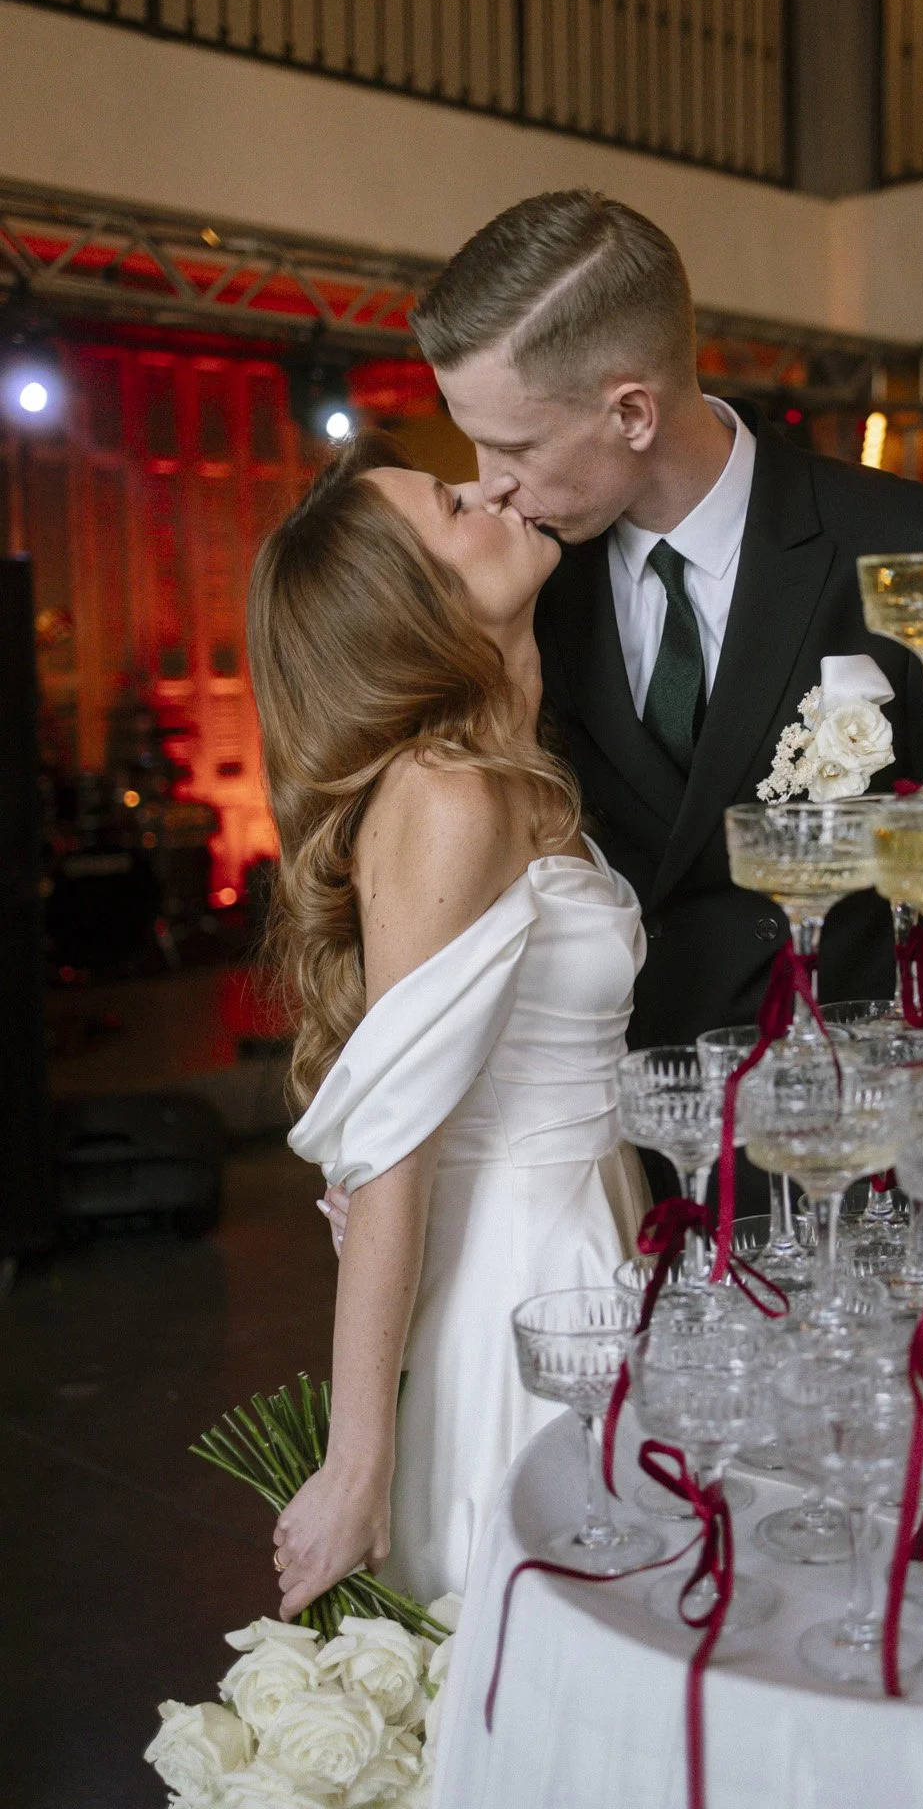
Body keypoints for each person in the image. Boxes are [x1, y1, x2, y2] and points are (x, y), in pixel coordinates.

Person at [408, 190, 923, 1206]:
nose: (489, 486)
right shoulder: (520, 588)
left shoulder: (899, 541)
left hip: (846, 1162)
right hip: (620, 1162)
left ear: (632, 410)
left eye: (514, 447)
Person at [246, 429, 648, 1614]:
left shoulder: (510, 768)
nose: (492, 488)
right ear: (413, 601)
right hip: (526, 1282)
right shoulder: (445, 794)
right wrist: (356, 1466)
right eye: (451, 501)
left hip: (600, 1237)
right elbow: (395, 1150)